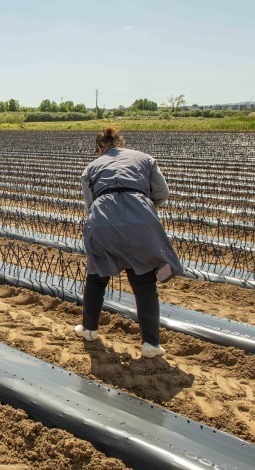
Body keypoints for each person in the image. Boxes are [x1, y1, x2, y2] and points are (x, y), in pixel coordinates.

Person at [75, 127, 183, 359]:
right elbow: (162, 191)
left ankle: (89, 330)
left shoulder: (91, 168)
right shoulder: (145, 158)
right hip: (141, 217)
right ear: (120, 144)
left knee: (97, 277)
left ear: (99, 149)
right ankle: (150, 345)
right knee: (144, 281)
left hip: (103, 217)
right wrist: (141, 209)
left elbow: (90, 205)